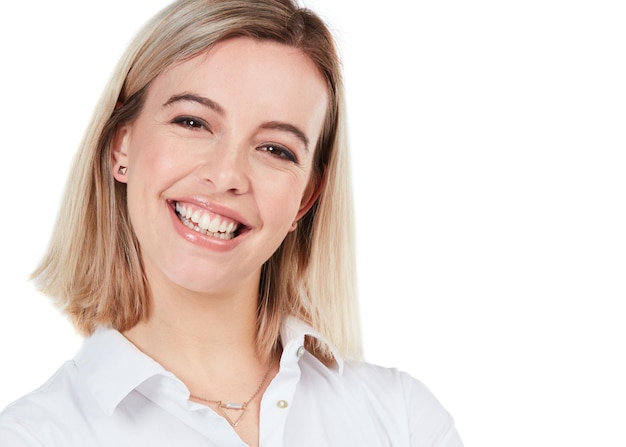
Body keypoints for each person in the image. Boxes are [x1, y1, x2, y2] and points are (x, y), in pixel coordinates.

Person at [0, 0, 463, 445]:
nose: (226, 176)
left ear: (306, 198)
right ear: (121, 145)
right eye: (193, 122)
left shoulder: (402, 419)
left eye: (276, 149)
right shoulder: (34, 436)